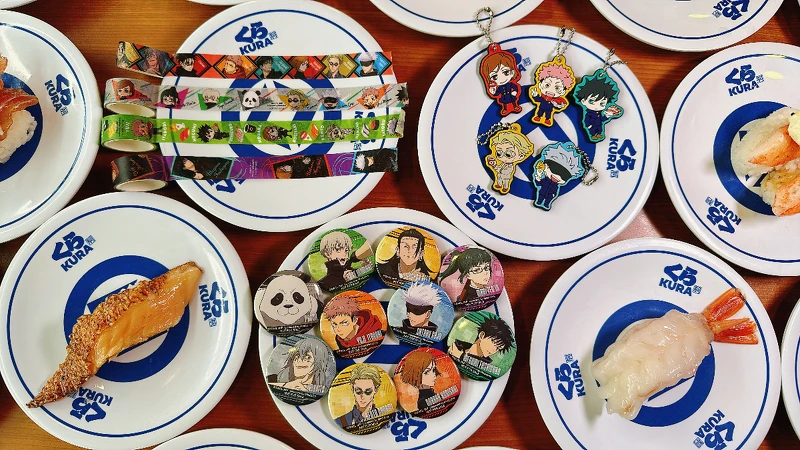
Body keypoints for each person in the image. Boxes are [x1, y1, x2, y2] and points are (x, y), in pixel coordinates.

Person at [532, 142, 584, 211]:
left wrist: (554, 195)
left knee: (548, 201)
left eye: (564, 176)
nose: (557, 176)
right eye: (554, 170)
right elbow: (538, 183)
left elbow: (555, 191)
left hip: (550, 196)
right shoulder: (545, 180)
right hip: (541, 192)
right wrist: (538, 176)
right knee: (540, 198)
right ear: (546, 166)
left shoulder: (556, 186)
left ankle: (546, 204)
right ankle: (539, 202)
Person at [484, 124, 535, 194]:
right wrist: (494, 165)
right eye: (499, 153)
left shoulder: (510, 166)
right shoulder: (503, 163)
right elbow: (499, 168)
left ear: (521, 156)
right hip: (500, 173)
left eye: (508, 154)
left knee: (505, 181)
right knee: (499, 177)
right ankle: (499, 185)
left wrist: (497, 168)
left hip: (506, 176)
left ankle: (505, 187)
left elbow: (506, 172)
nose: (503, 157)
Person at [268, 338, 333, 392]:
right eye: (297, 356)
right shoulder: (274, 379)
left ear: (319, 361)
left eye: (307, 357)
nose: (299, 360)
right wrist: (285, 386)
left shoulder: (323, 388)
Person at [573, 74, 624, 142]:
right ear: (583, 101)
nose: (597, 106)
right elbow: (586, 119)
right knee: (593, 131)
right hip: (592, 126)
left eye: (602, 103)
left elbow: (602, 119)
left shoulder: (599, 113)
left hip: (599, 125)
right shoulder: (588, 113)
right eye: (591, 101)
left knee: (599, 129)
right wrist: (588, 125)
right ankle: (593, 135)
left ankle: (598, 134)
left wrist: (607, 116)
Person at [528, 59, 576, 126]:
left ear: (563, 91)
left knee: (548, 114)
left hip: (549, 109)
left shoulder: (558, 100)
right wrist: (535, 95)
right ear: (540, 84)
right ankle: (538, 116)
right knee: (540, 111)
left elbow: (559, 106)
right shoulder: (542, 96)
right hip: (541, 107)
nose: (551, 90)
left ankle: (547, 119)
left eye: (557, 88)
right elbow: (538, 99)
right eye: (547, 85)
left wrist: (559, 105)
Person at [448, 317, 514, 364]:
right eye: (493, 342)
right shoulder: (457, 345)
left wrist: (460, 356)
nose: (494, 350)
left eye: (498, 348)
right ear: (482, 335)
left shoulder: (486, 363)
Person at [478, 44, 522, 116]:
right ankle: (505, 109)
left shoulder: (511, 84)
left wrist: (514, 91)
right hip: (503, 97)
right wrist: (493, 92)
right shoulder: (499, 87)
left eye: (506, 72)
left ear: (512, 72)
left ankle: (515, 106)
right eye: (495, 76)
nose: (501, 78)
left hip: (511, 95)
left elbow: (515, 87)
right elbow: (497, 93)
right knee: (504, 103)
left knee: (513, 101)